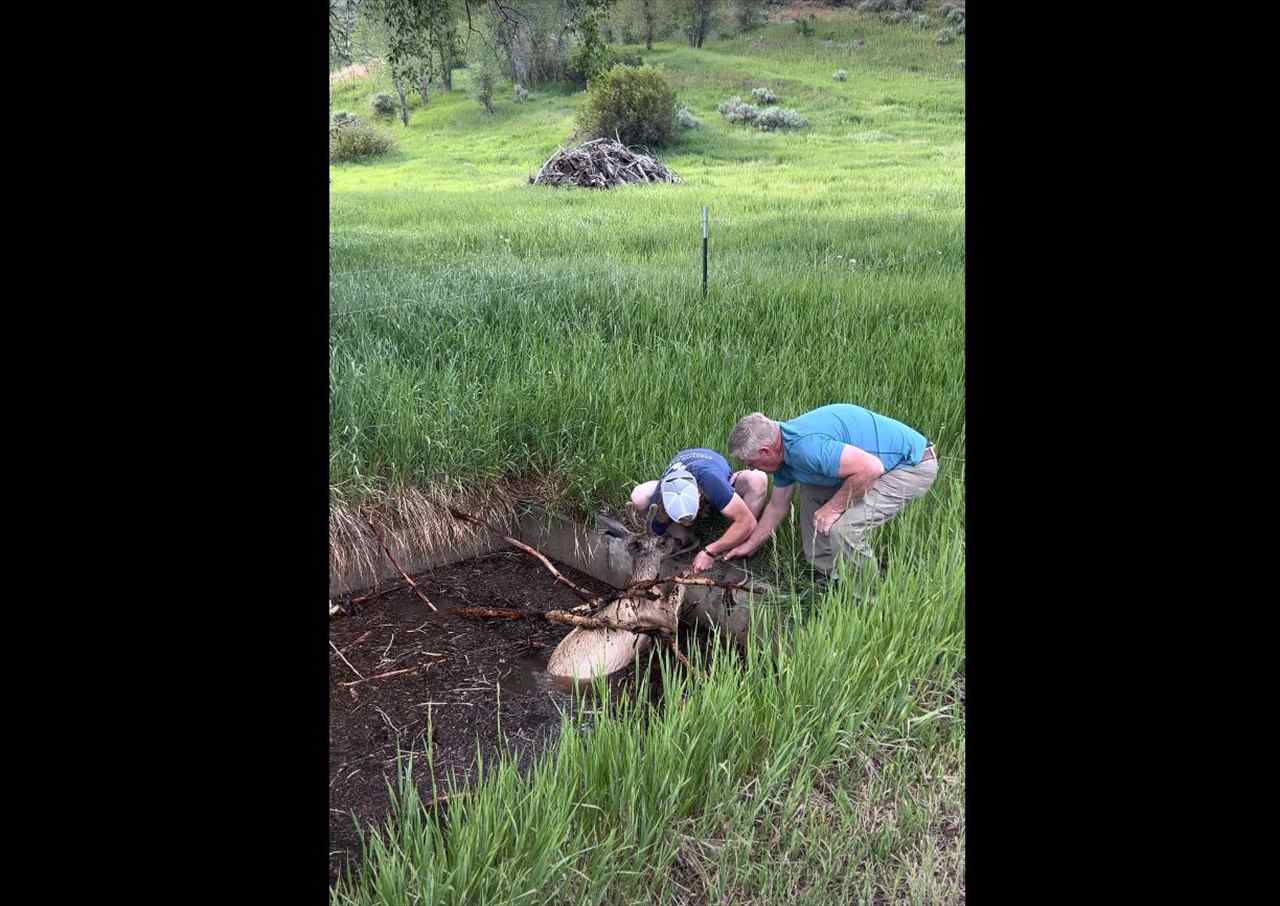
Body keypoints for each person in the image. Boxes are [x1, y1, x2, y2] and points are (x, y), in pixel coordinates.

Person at [723, 404, 938, 582]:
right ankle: (830, 575)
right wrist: (750, 544)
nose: (750, 469)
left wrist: (833, 508)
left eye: (751, 463)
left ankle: (865, 600)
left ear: (765, 451)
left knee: (844, 527)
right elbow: (777, 506)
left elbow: (871, 468)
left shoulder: (806, 448)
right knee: (810, 487)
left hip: (911, 465)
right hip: (872, 465)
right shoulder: (783, 453)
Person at [630, 448, 768, 573]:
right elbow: (656, 531)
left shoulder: (712, 483)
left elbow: (748, 522)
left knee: (757, 480)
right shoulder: (662, 497)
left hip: (710, 473)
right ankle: (685, 538)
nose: (688, 522)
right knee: (639, 497)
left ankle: (736, 547)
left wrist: (709, 552)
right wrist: (672, 538)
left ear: (699, 495)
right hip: (681, 476)